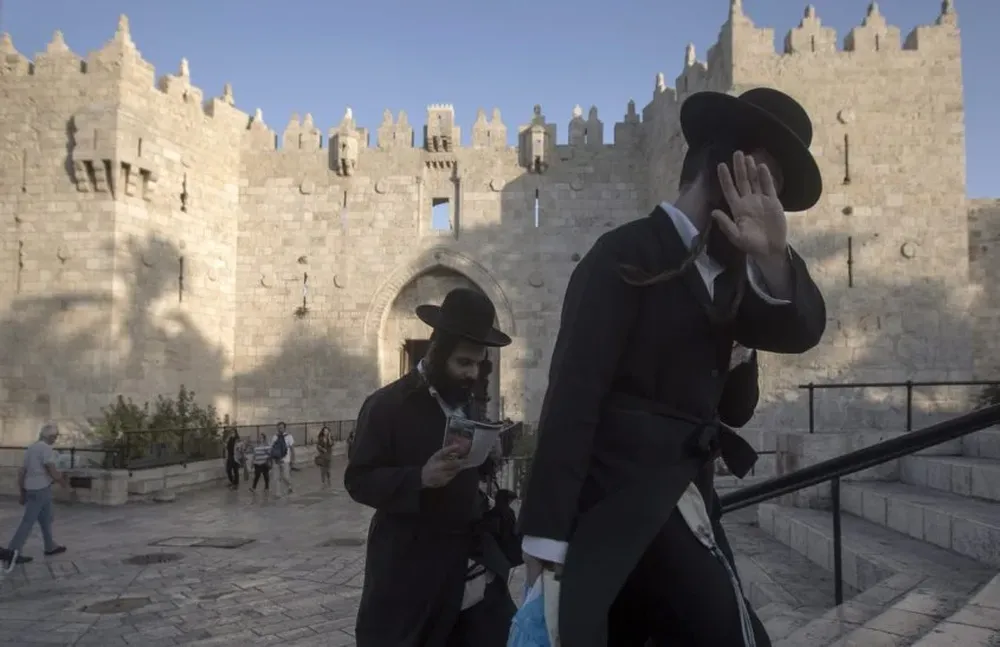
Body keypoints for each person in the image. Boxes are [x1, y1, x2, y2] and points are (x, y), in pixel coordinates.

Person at [516, 88, 827, 647]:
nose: (767, 203)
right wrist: (545, 534)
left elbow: (781, 353)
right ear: (726, 167)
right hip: (617, 506)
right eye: (763, 181)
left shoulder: (738, 278)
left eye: (774, 193)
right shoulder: (623, 254)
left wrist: (772, 258)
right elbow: (573, 394)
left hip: (685, 503)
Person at [345, 287, 518, 647]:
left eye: (479, 364)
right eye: (464, 363)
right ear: (438, 351)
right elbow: (359, 480)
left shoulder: (465, 400)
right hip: (411, 575)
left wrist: (487, 458)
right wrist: (419, 478)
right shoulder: (386, 405)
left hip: (472, 569)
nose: (473, 373)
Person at [2, 422, 69, 572]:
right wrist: (62, 482)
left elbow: (22, 472)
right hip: (41, 489)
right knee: (28, 521)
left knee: (46, 518)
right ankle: (13, 551)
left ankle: (50, 546)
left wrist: (22, 492)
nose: (56, 439)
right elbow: (50, 468)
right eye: (55, 436)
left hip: (32, 488)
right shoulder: (45, 449)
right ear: (50, 436)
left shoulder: (31, 448)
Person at [270, 422, 294, 496]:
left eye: (281, 427)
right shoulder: (275, 437)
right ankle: (278, 493)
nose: (280, 429)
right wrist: (271, 459)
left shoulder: (289, 436)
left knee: (285, 476)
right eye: (279, 427)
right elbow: (272, 448)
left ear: (284, 428)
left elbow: (292, 448)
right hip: (276, 460)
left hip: (285, 460)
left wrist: (293, 459)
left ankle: (289, 485)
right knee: (276, 477)